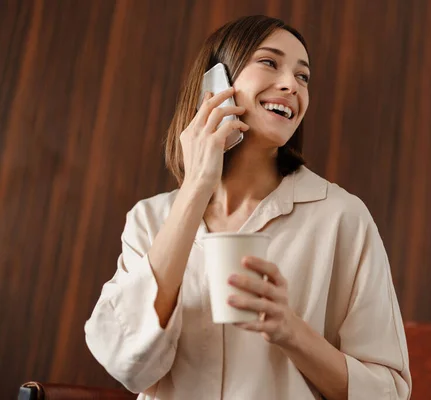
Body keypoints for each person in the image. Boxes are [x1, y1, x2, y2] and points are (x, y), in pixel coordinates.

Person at [84, 15, 411, 400]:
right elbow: (126, 364)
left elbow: (387, 393)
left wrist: (290, 330)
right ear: (214, 85)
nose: (292, 85)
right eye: (270, 62)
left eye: (303, 76)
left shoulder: (342, 217)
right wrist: (196, 187)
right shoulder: (150, 219)